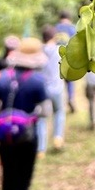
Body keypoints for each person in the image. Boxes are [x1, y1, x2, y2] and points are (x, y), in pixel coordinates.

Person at [0, 37, 49, 190]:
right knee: (24, 178)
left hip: (5, 136)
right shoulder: (38, 81)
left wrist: (4, 116)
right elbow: (46, 110)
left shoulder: (3, 77)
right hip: (28, 137)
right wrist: (32, 114)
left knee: (8, 173)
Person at [37, 25, 67, 153]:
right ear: (53, 37)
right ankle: (57, 138)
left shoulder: (39, 52)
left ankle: (41, 148)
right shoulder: (59, 50)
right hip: (57, 87)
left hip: (43, 89)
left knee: (41, 118)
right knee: (59, 112)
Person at [55, 12, 77, 112]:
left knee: (58, 81)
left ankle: (59, 102)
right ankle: (71, 98)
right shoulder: (72, 28)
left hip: (56, 58)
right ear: (69, 18)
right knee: (70, 81)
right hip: (69, 58)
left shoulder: (55, 28)